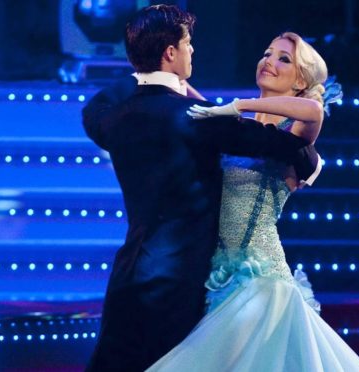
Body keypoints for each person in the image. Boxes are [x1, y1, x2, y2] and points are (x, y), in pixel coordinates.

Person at [81, 5, 320, 372]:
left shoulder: (115, 118)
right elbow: (292, 149)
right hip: (187, 285)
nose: (193, 50)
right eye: (187, 43)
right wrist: (223, 107)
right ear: (171, 53)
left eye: (282, 58)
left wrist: (143, 69)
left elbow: (93, 108)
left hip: (142, 279)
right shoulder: (200, 118)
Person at [146, 33, 359, 371]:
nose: (269, 61)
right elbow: (204, 109)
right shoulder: (243, 130)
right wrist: (175, 83)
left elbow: (313, 111)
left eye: (284, 58)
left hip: (261, 279)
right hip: (219, 275)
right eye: (267, 53)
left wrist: (239, 105)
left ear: (300, 80)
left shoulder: (293, 130)